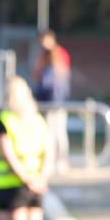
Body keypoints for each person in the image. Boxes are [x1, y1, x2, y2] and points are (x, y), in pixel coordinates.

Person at [0, 76, 52, 220]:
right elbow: (49, 151)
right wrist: (41, 179)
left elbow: (7, 154)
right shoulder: (37, 119)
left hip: (13, 186)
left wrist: (26, 180)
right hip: (37, 185)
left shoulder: (5, 119)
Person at [33, 29, 71, 172]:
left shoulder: (57, 55)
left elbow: (48, 83)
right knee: (54, 131)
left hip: (54, 101)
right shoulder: (45, 56)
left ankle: (60, 160)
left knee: (55, 131)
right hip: (54, 100)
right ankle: (57, 160)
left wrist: (37, 96)